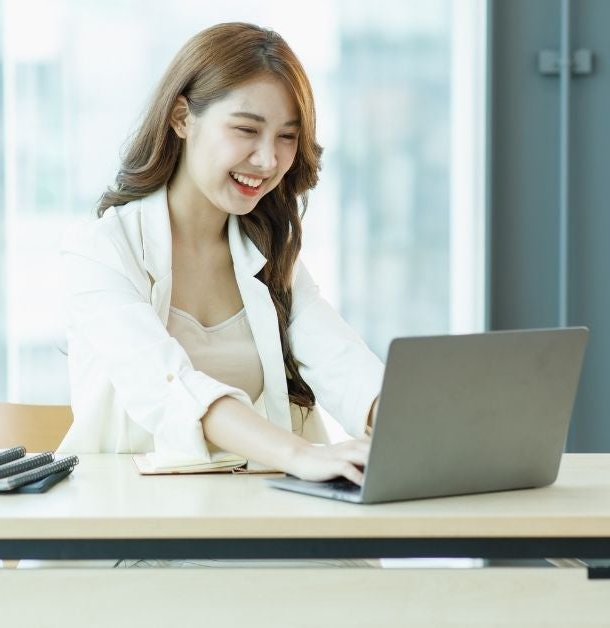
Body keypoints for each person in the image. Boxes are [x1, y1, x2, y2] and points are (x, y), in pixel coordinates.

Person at [56, 22, 383, 488]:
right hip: (132, 529)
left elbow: (342, 364)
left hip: (252, 519)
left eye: (287, 137)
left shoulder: (270, 256)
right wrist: (300, 453)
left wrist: (410, 425)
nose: (268, 160)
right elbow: (166, 382)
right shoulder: (101, 250)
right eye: (246, 129)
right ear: (182, 118)